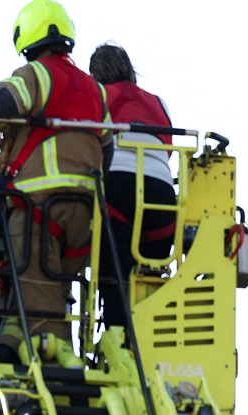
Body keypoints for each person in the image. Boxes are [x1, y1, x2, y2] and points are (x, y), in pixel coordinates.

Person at [0, 0, 109, 362]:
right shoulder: (96, 91)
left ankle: (55, 376)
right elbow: (107, 147)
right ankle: (5, 346)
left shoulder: (35, 74)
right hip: (85, 216)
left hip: (37, 206)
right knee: (44, 293)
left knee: (42, 313)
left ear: (27, 37)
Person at [89, 43, 177, 329]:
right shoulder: (157, 102)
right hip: (163, 197)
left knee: (113, 268)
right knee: (150, 273)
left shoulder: (96, 96)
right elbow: (168, 148)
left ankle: (116, 333)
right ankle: (147, 333)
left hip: (117, 185)